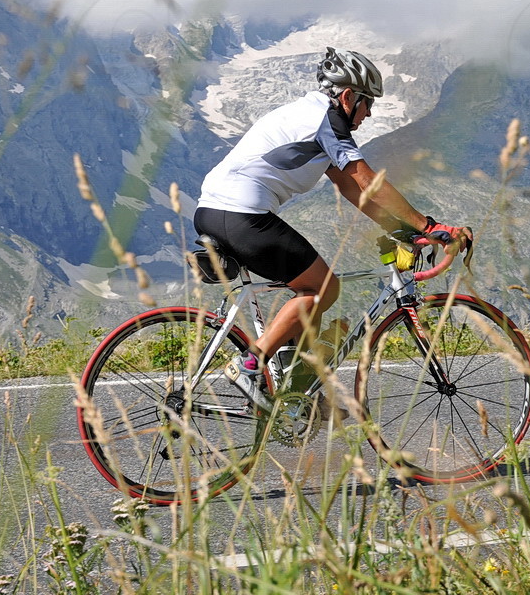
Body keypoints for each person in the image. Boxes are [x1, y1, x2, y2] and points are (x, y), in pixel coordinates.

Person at [193, 47, 471, 404]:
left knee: (308, 295)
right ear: (348, 96)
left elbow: (351, 187)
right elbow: (366, 178)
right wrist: (428, 225)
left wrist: (405, 229)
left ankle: (292, 394)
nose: (368, 113)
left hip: (217, 210)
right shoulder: (326, 120)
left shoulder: (312, 119)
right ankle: (250, 365)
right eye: (367, 103)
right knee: (322, 289)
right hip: (241, 213)